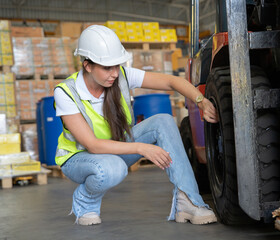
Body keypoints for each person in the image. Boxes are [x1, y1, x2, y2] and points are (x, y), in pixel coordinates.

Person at [54, 25, 219, 226]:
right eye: (107, 67)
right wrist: (142, 147)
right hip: (79, 158)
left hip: (115, 148)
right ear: (87, 65)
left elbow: (171, 82)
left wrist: (200, 100)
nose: (114, 73)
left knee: (164, 121)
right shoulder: (66, 92)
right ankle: (85, 200)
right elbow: (93, 145)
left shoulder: (120, 75)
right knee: (112, 168)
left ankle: (188, 201)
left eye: (116, 65)